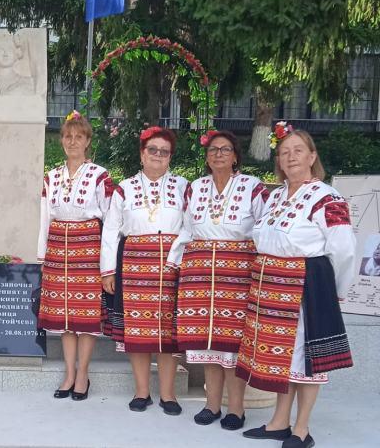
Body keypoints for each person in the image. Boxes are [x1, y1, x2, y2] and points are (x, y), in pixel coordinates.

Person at [238, 123, 356, 448]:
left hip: (305, 287)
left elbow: (344, 249)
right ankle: (279, 422)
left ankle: (302, 429)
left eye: (298, 151)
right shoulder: (275, 196)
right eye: (284, 152)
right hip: (271, 288)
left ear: (312, 155)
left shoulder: (326, 197)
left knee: (304, 360)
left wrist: (336, 292)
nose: (290, 157)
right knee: (282, 360)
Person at [167, 130, 269, 430]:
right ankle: (212, 404)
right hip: (199, 273)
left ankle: (235, 408)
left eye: (225, 150)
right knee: (208, 344)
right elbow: (186, 229)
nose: (218, 154)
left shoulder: (252, 187)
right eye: (213, 150)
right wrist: (175, 262)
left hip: (237, 275)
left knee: (233, 345)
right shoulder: (196, 188)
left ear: (236, 155)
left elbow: (264, 229)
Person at [101, 126, 188, 415]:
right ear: (142, 154)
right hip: (135, 264)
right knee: (137, 332)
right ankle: (141, 392)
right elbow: (111, 230)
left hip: (170, 266)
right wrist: (108, 271)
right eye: (153, 150)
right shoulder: (124, 188)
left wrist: (180, 260)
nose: (158, 156)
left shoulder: (183, 186)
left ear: (170, 157)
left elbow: (190, 227)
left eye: (164, 152)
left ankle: (167, 394)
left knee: (168, 334)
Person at [35, 111, 113, 401]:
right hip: (58, 250)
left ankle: (83, 374)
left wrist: (107, 265)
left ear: (88, 141)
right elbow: (44, 218)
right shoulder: (52, 176)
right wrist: (43, 258)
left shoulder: (99, 175)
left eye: (79, 136)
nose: (73, 141)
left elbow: (110, 220)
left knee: (85, 316)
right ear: (61, 141)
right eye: (68, 136)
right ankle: (69, 373)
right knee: (64, 318)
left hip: (87, 249)